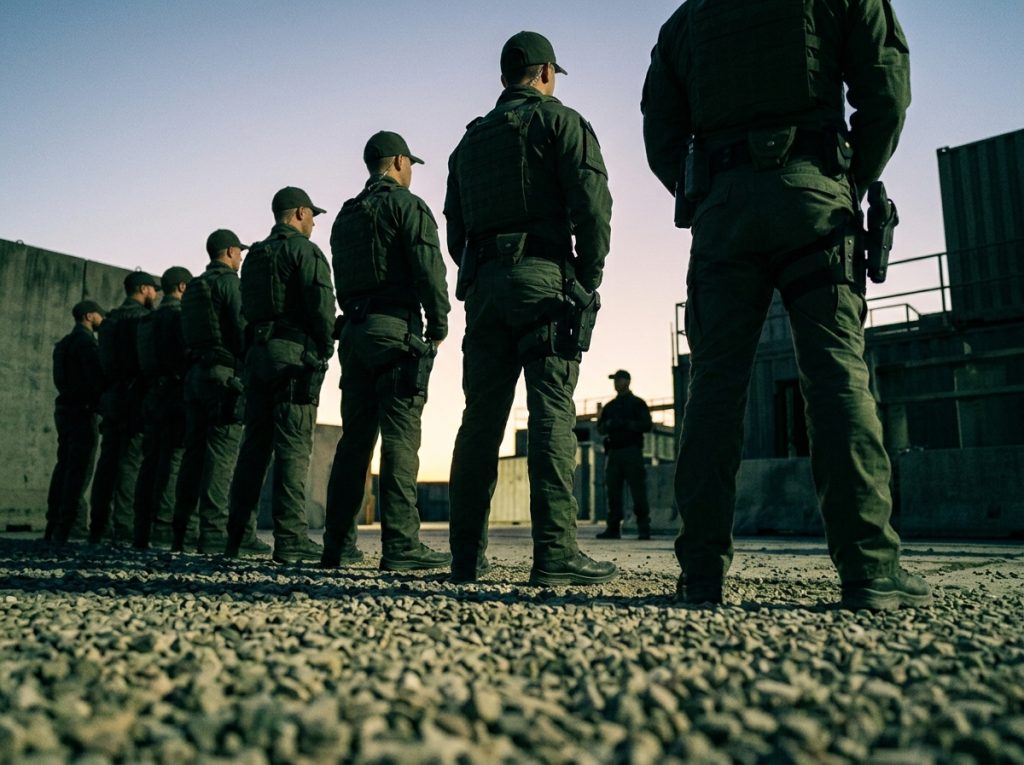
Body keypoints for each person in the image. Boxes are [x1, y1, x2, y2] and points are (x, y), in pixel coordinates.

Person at [642, 0, 931, 610]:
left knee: (714, 388)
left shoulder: (686, 22)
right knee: (836, 378)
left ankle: (700, 573)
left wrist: (707, 192)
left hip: (724, 210)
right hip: (814, 196)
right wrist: (850, 178)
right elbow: (886, 90)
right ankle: (870, 568)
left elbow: (660, 131)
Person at [445, 31, 616, 585]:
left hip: (487, 289)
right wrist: (585, 280)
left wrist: (488, 266)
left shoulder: (467, 143)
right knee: (551, 414)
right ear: (545, 74)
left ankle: (466, 557)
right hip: (544, 279)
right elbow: (592, 209)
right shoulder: (560, 121)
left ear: (504, 76)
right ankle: (556, 554)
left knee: (480, 423)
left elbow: (454, 232)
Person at [322, 131, 453, 571]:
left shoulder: (345, 216)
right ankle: (401, 546)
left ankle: (337, 545)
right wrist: (438, 323)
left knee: (354, 443)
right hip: (394, 329)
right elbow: (428, 267)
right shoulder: (406, 205)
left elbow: (341, 275)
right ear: (398, 162)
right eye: (410, 163)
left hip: (355, 334)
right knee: (400, 438)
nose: (411, 171)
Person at [225, 187, 335, 564]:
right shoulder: (304, 251)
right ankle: (290, 539)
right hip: (292, 353)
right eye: (312, 215)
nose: (315, 222)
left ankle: (237, 536)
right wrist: (323, 347)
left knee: (253, 449)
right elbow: (321, 305)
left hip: (256, 355)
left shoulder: (254, 256)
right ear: (300, 213)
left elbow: (243, 309)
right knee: (293, 447)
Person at [173, 229, 267, 555]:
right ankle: (213, 533)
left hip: (195, 376)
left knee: (193, 457)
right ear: (228, 251)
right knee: (222, 458)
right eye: (238, 252)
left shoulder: (195, 287)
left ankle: (183, 532)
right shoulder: (230, 284)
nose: (241, 257)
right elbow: (242, 329)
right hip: (224, 375)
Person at [89, 271, 159, 544]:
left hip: (111, 396)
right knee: (131, 462)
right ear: (143, 289)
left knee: (107, 463)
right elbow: (145, 360)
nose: (155, 295)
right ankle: (124, 525)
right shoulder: (142, 318)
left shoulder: (108, 321)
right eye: (153, 290)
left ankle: (98, 525)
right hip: (134, 395)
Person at [131, 266, 193, 549]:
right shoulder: (180, 316)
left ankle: (142, 528)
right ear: (182, 287)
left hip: (151, 394)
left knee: (150, 462)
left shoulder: (147, 320)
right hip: (175, 393)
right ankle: (164, 528)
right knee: (174, 462)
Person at [45, 300, 105, 542]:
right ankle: (70, 527)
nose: (102, 320)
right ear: (90, 316)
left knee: (64, 466)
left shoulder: (63, 344)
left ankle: (54, 525)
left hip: (65, 409)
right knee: (79, 471)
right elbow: (95, 378)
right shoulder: (87, 344)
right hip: (82, 410)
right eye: (100, 316)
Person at [596, 370, 653, 540]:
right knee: (613, 492)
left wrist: (626, 424)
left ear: (627, 381)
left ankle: (644, 529)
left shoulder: (637, 404)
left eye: (619, 379)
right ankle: (613, 528)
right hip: (614, 453)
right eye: (614, 380)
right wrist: (609, 425)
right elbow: (599, 429)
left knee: (638, 492)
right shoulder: (610, 406)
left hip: (632, 451)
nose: (616, 383)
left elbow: (646, 425)